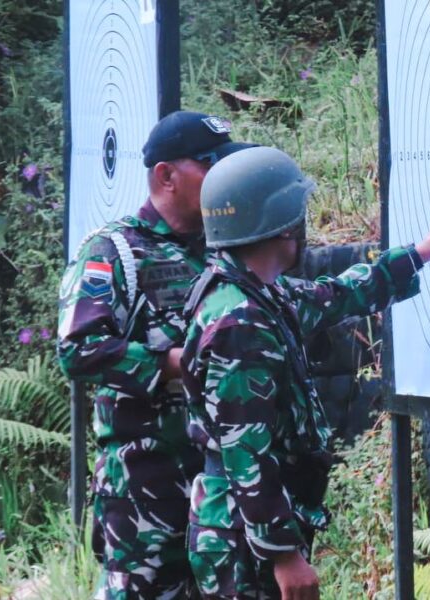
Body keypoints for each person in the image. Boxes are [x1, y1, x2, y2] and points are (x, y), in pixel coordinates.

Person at [180, 146, 430, 599]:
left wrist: (420, 254)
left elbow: (336, 295)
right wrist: (282, 554)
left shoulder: (254, 295)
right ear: (282, 226)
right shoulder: (240, 323)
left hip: (245, 525)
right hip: (244, 540)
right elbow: (244, 450)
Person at [57, 111, 255, 599]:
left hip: (220, 484)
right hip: (145, 490)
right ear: (167, 175)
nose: (224, 176)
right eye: (210, 164)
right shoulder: (114, 251)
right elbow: (79, 349)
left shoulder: (226, 250)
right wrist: (172, 363)